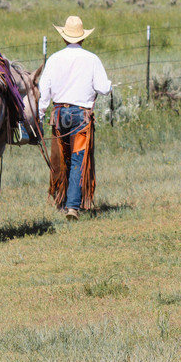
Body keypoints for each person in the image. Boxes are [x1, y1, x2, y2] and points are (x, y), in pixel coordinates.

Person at [38, 16, 112, 220]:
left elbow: (43, 91)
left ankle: (61, 202)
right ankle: (72, 207)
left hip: (59, 114)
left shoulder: (54, 59)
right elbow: (104, 88)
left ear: (64, 38)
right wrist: (110, 84)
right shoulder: (92, 59)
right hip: (81, 116)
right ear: (83, 38)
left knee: (62, 159)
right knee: (79, 160)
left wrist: (39, 114)